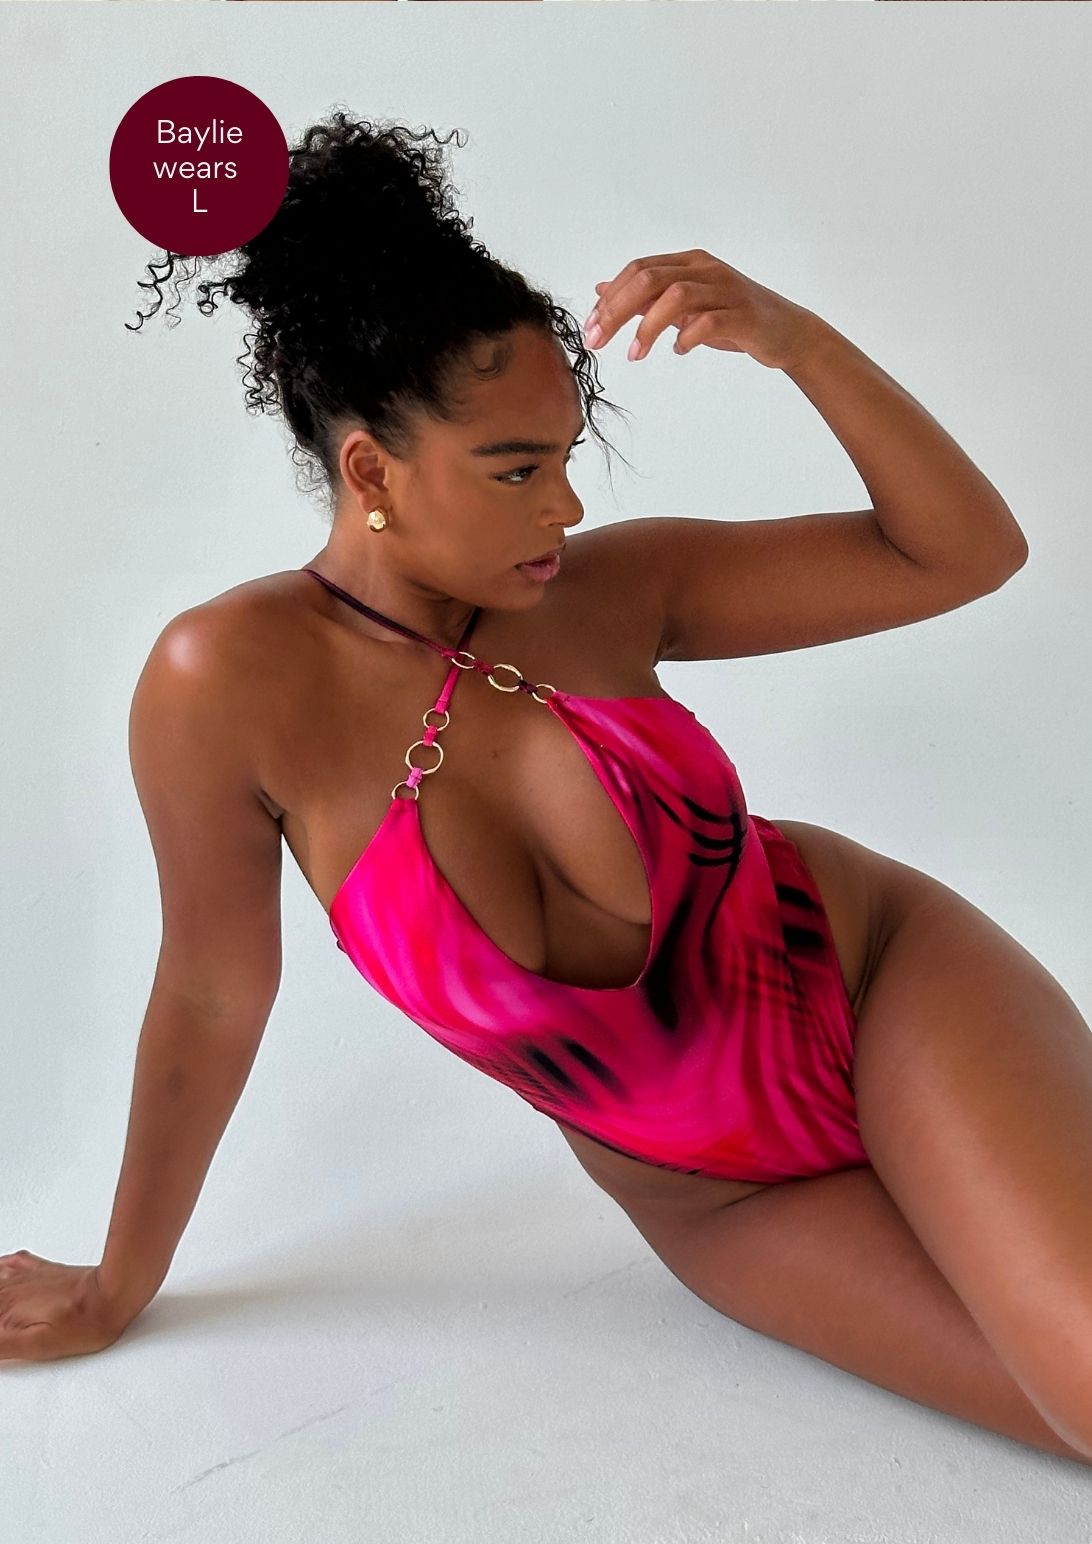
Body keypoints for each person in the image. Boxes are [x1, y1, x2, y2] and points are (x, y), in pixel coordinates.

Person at [2, 110, 1089, 1467]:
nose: (564, 507)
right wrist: (118, 1283)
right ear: (370, 469)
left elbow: (962, 553)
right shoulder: (224, 683)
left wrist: (798, 342)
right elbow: (215, 991)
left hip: (883, 997)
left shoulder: (610, 590)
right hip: (718, 1201)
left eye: (569, 455)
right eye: (517, 469)